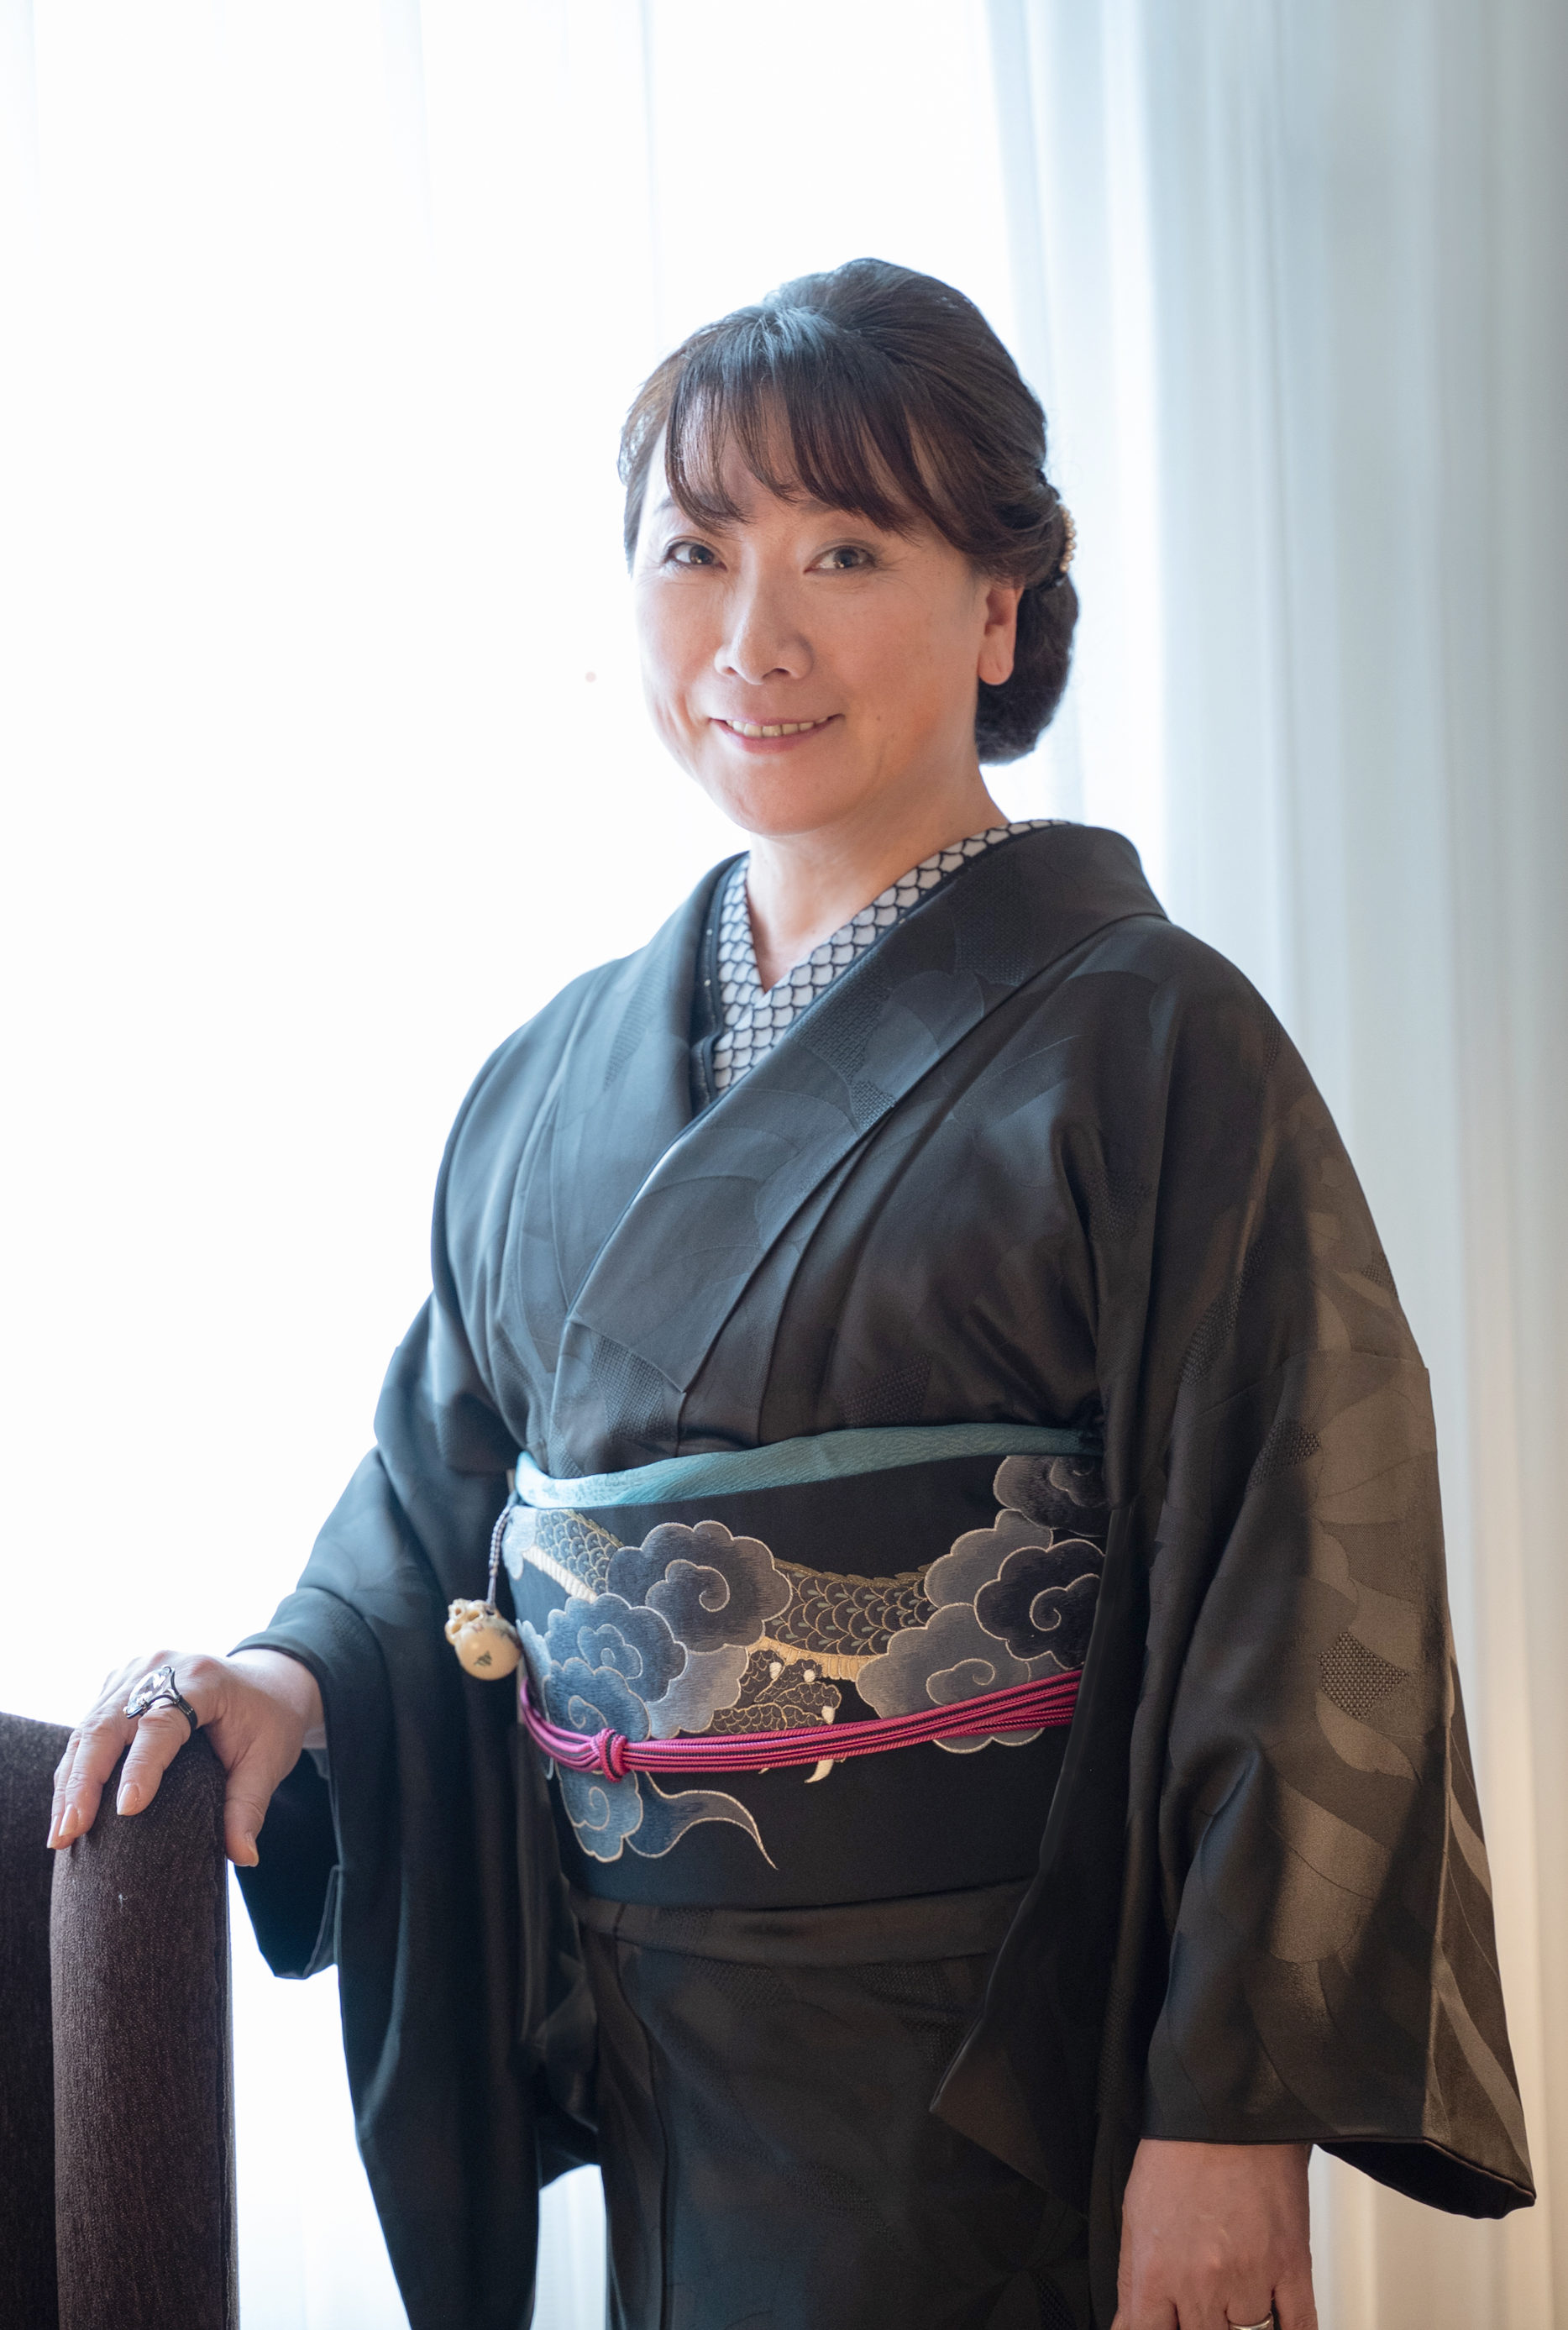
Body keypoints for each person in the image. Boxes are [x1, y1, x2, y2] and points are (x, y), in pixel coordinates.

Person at [49, 260, 1532, 2330]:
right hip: (662, 2037)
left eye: (847, 550)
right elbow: (438, 1493)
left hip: (1014, 2054)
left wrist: (1229, 2112)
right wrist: (295, 1677)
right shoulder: (550, 1073)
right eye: (696, 551)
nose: (756, 637)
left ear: (997, 608)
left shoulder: (1148, 1038)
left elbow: (1303, 1574)